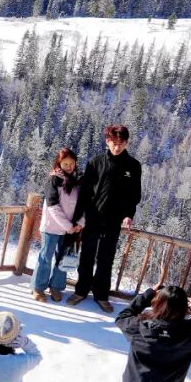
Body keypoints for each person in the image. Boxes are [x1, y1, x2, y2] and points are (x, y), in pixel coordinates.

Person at [68, 124, 142, 313]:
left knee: (106, 258)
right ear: (107, 141)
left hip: (114, 220)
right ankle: (81, 290)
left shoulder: (133, 166)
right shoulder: (96, 162)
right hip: (93, 217)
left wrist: (128, 215)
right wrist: (78, 217)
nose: (117, 147)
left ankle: (101, 295)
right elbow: (85, 192)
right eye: (114, 143)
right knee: (87, 254)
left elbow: (134, 195)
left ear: (126, 143)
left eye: (121, 143)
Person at [31, 147, 85, 303]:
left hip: (70, 230)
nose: (69, 167)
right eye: (65, 163)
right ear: (59, 163)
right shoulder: (53, 180)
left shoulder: (78, 181)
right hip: (52, 227)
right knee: (46, 257)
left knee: (64, 258)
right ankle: (38, 288)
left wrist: (80, 223)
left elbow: (84, 205)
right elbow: (52, 206)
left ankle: (56, 287)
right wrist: (68, 226)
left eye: (72, 163)